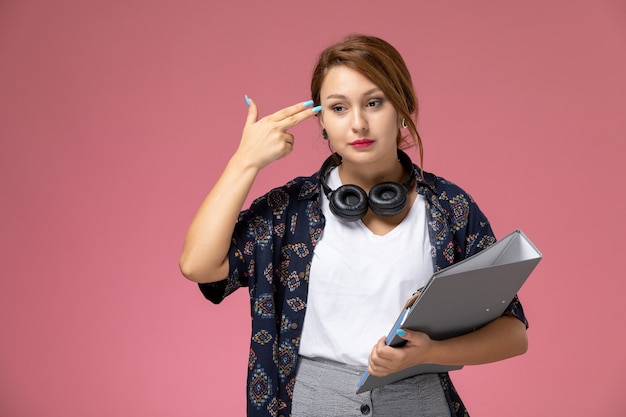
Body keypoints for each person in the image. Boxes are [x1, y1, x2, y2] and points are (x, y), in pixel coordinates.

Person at [179, 34, 528, 417]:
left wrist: (431, 353)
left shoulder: (449, 207)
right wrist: (245, 162)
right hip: (313, 403)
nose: (358, 123)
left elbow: (513, 333)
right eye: (339, 108)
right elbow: (198, 265)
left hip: (420, 402)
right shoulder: (291, 210)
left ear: (403, 108)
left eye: (374, 103)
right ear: (322, 122)